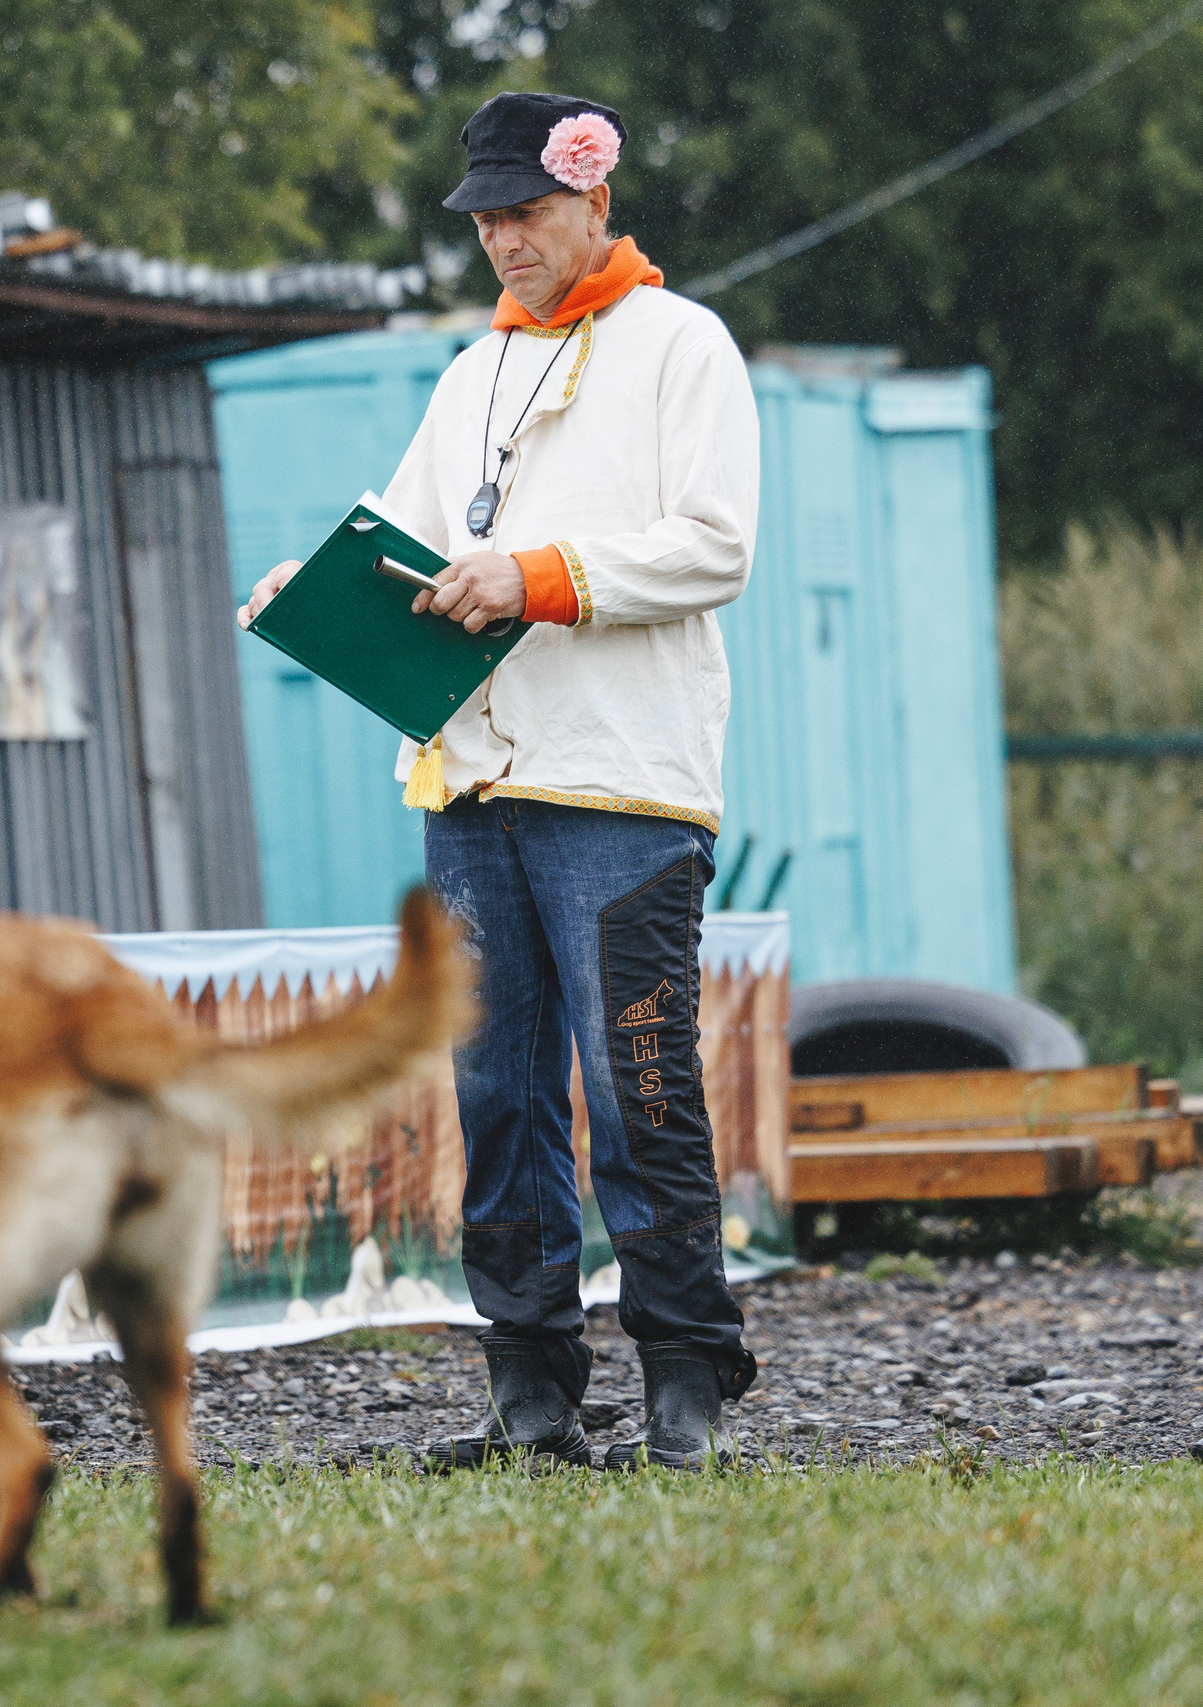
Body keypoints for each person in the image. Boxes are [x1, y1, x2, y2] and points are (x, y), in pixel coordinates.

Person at [239, 92, 760, 1469]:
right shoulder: (471, 375)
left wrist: (533, 576)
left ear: (595, 200)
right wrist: (319, 587)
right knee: (498, 1096)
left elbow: (716, 547)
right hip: (471, 784)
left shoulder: (683, 346)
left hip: (625, 788)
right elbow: (412, 542)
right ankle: (529, 1390)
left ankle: (685, 1381)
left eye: (523, 210)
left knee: (639, 1082)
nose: (500, 236)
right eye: (483, 215)